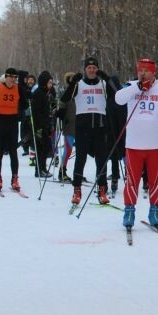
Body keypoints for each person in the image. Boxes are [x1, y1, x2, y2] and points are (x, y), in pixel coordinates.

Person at [115, 58, 158, 228]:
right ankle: (129, 211)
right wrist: (137, 87)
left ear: (154, 72)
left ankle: (154, 210)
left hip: (156, 145)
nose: (142, 73)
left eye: (146, 70)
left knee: (155, 180)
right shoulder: (131, 85)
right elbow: (118, 99)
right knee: (132, 180)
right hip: (134, 144)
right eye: (140, 70)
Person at [59, 56, 116, 205]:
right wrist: (72, 84)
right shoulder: (79, 84)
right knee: (80, 159)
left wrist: (108, 78)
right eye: (89, 68)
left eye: (94, 68)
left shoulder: (103, 83)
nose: (91, 70)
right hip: (82, 127)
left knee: (101, 160)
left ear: (97, 69)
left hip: (100, 126)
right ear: (85, 70)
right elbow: (64, 99)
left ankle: (102, 189)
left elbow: (118, 95)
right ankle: (77, 190)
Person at [0, 68, 30, 191]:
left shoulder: (18, 88)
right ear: (6, 77)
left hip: (12, 122)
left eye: (15, 77)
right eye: (11, 77)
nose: (13, 79)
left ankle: (15, 178)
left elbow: (24, 104)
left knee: (13, 152)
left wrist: (27, 98)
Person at [30, 71, 55, 177]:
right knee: (42, 147)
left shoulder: (46, 93)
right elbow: (36, 112)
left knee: (46, 147)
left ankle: (42, 168)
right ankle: (39, 169)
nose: (51, 85)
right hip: (39, 126)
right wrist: (40, 126)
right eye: (49, 82)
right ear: (44, 82)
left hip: (46, 124)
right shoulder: (38, 93)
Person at [56, 72, 77, 182]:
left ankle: (78, 173)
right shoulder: (67, 92)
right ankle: (62, 171)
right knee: (68, 150)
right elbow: (61, 106)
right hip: (69, 126)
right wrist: (62, 116)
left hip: (79, 126)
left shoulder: (79, 92)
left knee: (81, 152)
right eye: (71, 79)